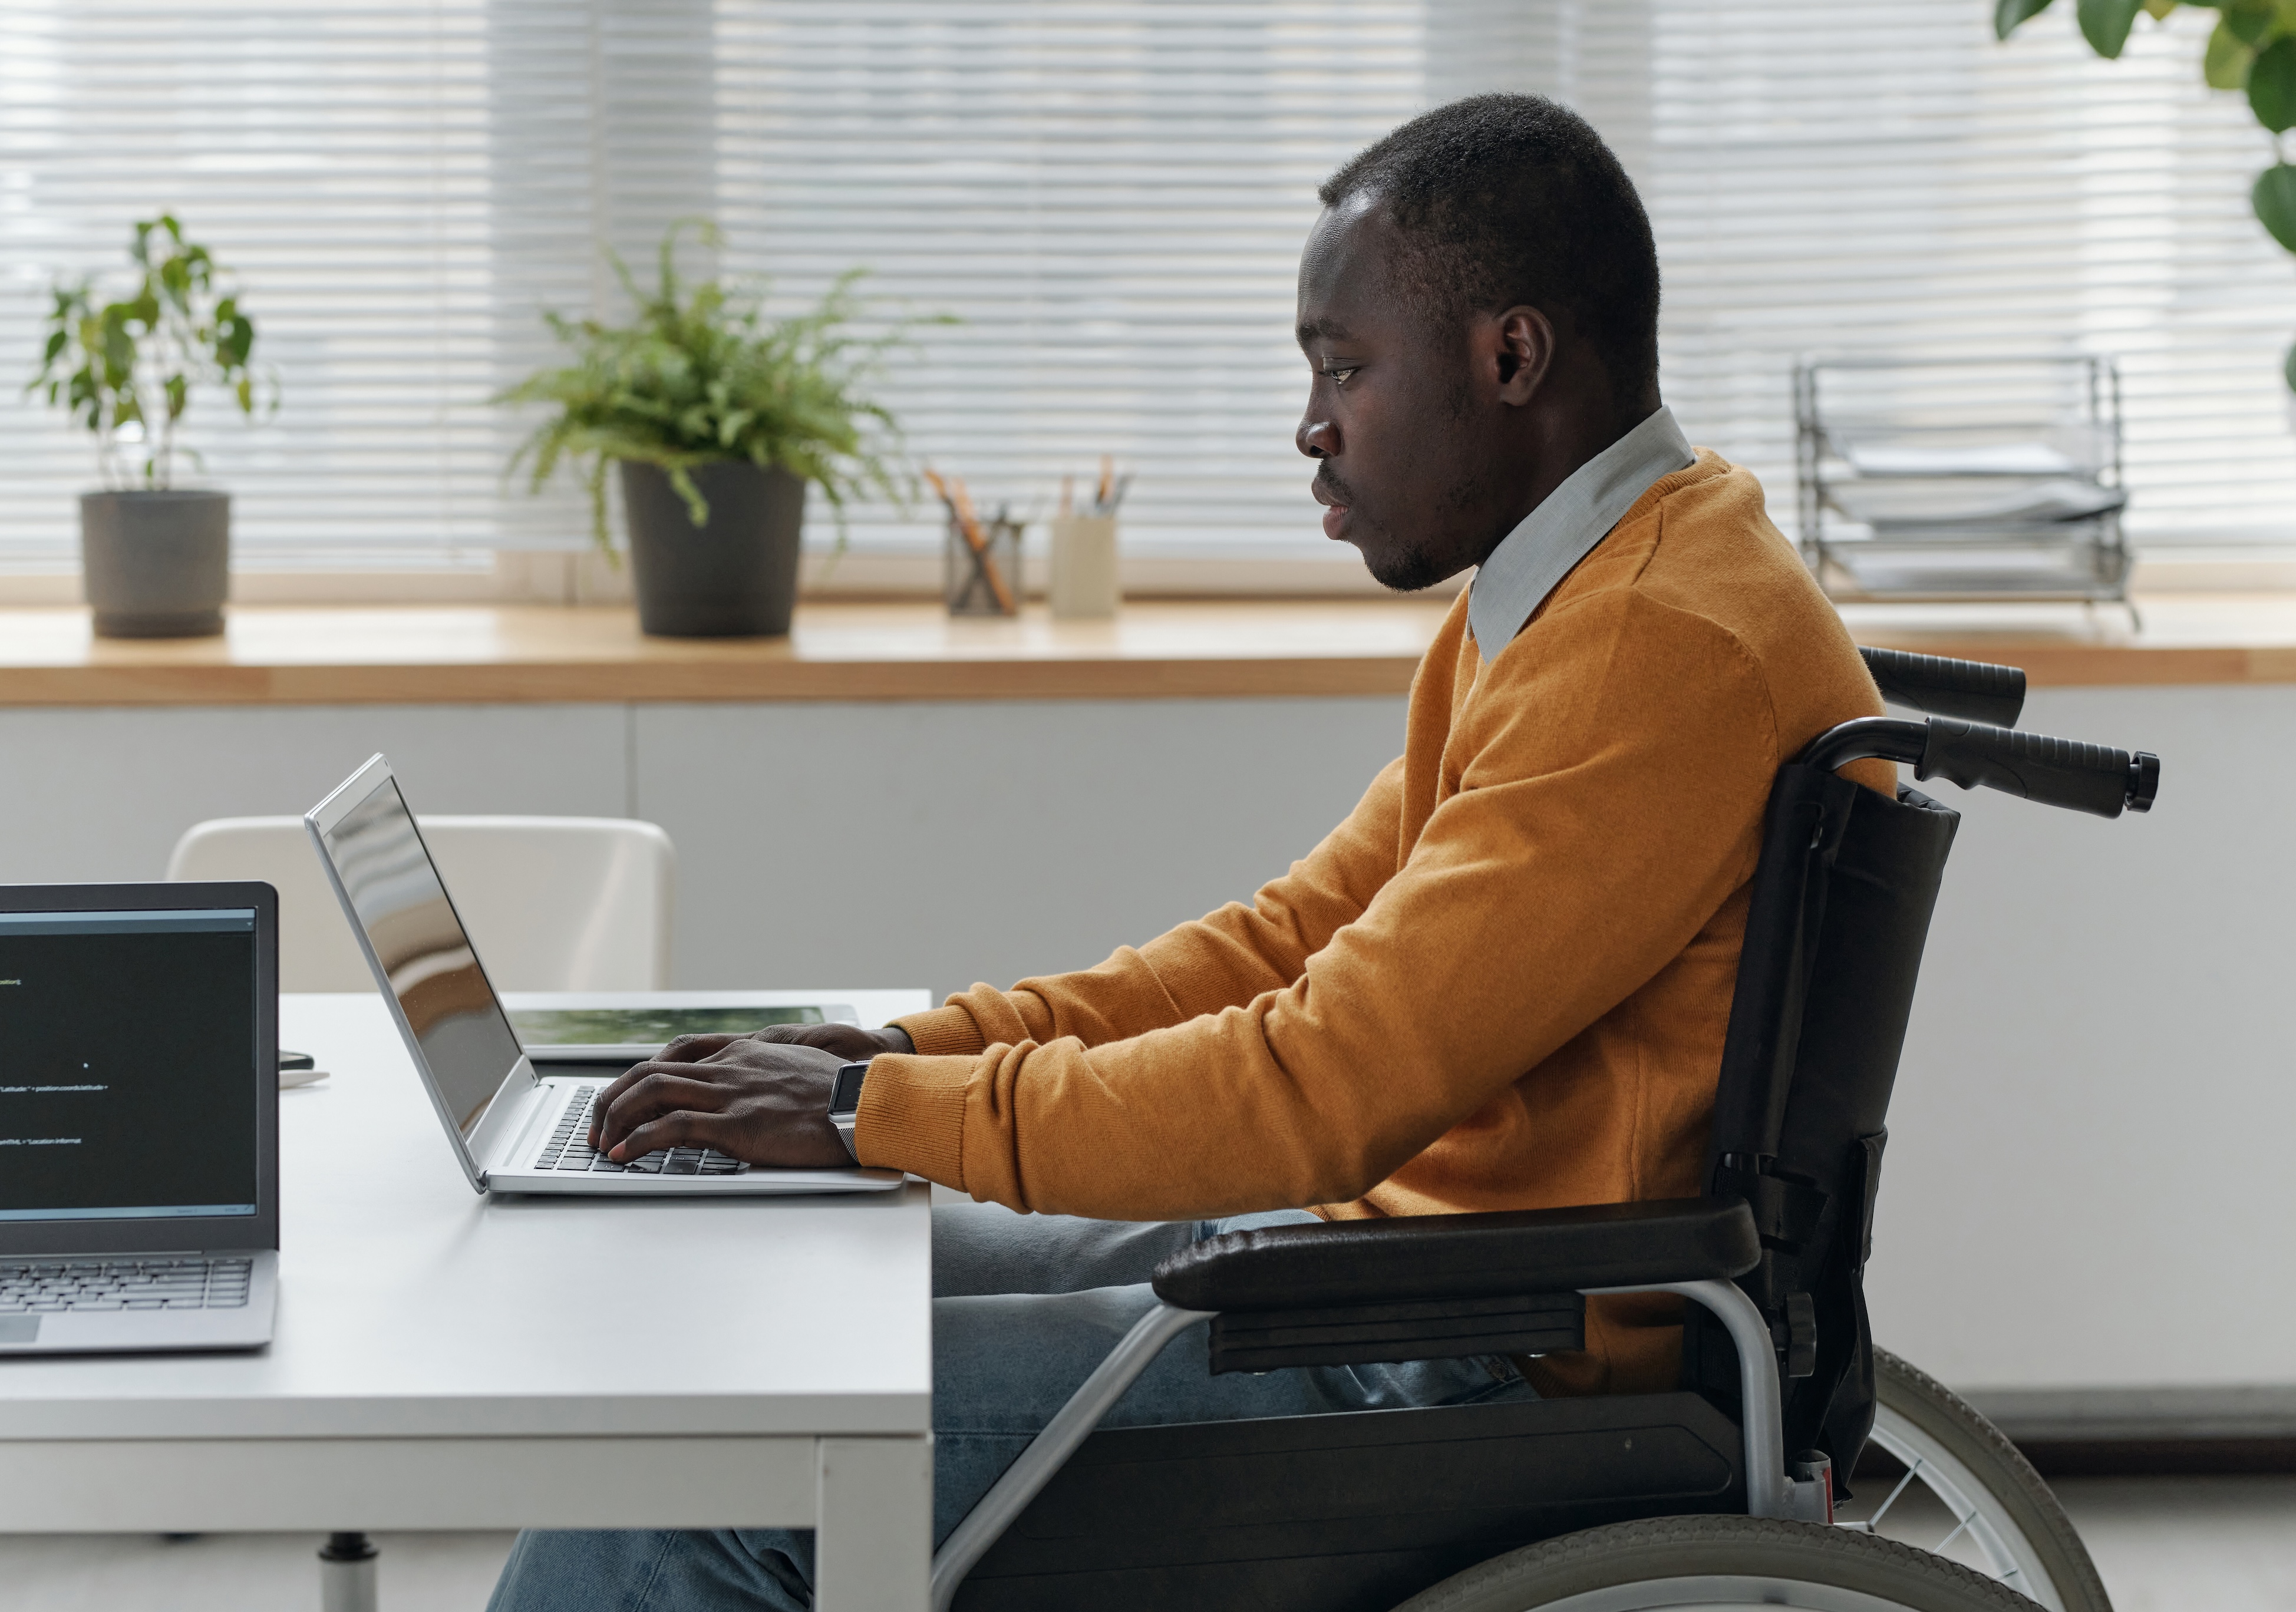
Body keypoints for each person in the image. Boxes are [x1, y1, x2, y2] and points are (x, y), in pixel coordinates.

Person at [486, 92, 1889, 1612]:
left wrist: (869, 1105)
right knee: (790, 1273)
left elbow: (1322, 1084)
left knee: (706, 1456)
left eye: (1344, 367)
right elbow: (1294, 939)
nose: (1311, 424)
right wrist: (912, 1052)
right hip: (1380, 1271)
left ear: (1510, 356)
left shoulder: (1654, 644)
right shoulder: (1590, 593)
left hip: (1473, 1355)